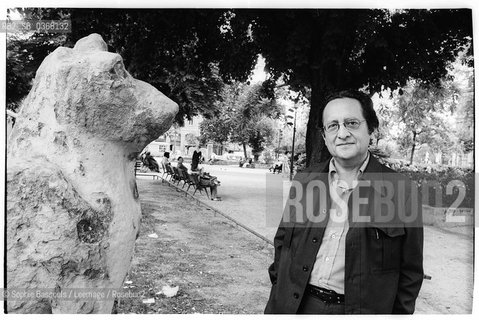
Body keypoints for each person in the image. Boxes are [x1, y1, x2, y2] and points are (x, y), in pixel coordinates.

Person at [264, 90, 423, 314]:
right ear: (324, 136)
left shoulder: (401, 190)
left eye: (352, 123)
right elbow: (283, 244)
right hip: (295, 306)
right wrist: (279, 292)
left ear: (371, 129)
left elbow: (411, 271)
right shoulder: (306, 180)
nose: (343, 133)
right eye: (333, 125)